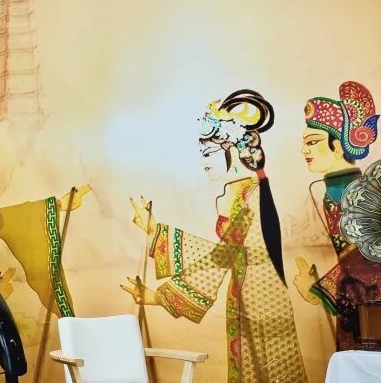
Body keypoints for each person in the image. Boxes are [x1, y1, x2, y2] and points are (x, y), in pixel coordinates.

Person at [122, 90, 307, 383]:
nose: (202, 162)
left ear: (234, 150)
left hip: (262, 298)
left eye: (208, 153)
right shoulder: (242, 193)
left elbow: (223, 257)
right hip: (247, 293)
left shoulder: (251, 197)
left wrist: (155, 235)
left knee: (269, 372)